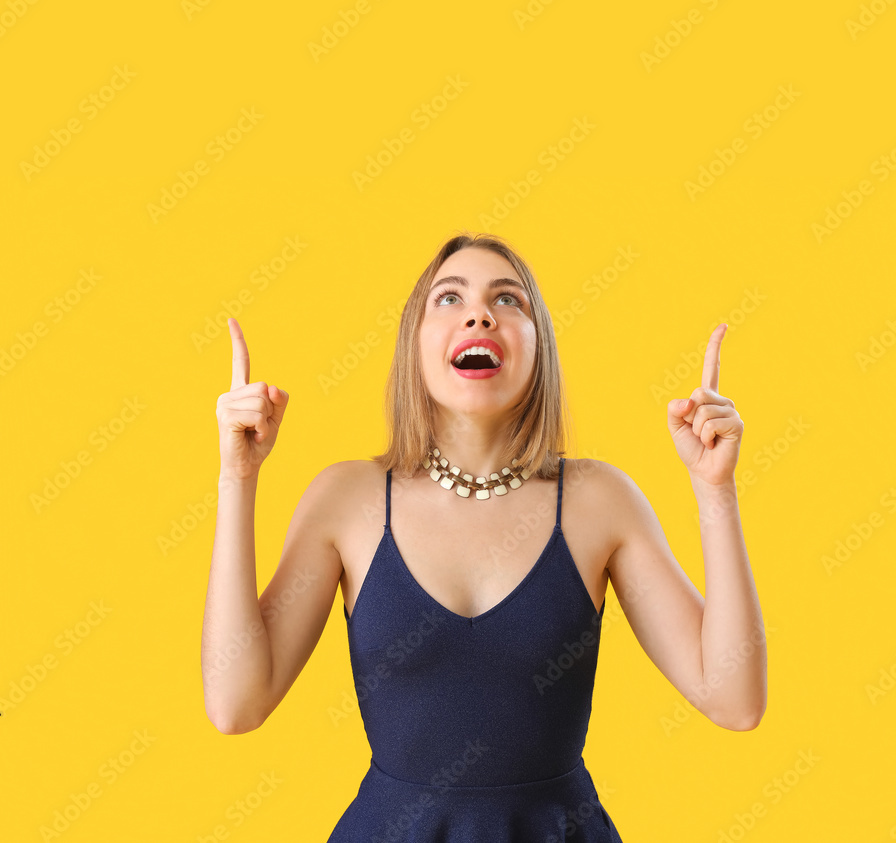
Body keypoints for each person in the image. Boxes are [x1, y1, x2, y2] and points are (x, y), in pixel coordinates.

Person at [202, 231, 766, 841]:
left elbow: (734, 699)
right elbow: (237, 704)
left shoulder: (599, 501)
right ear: (414, 345)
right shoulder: (347, 499)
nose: (479, 313)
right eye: (448, 298)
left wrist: (715, 489)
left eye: (508, 300)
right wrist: (238, 478)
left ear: (538, 345)